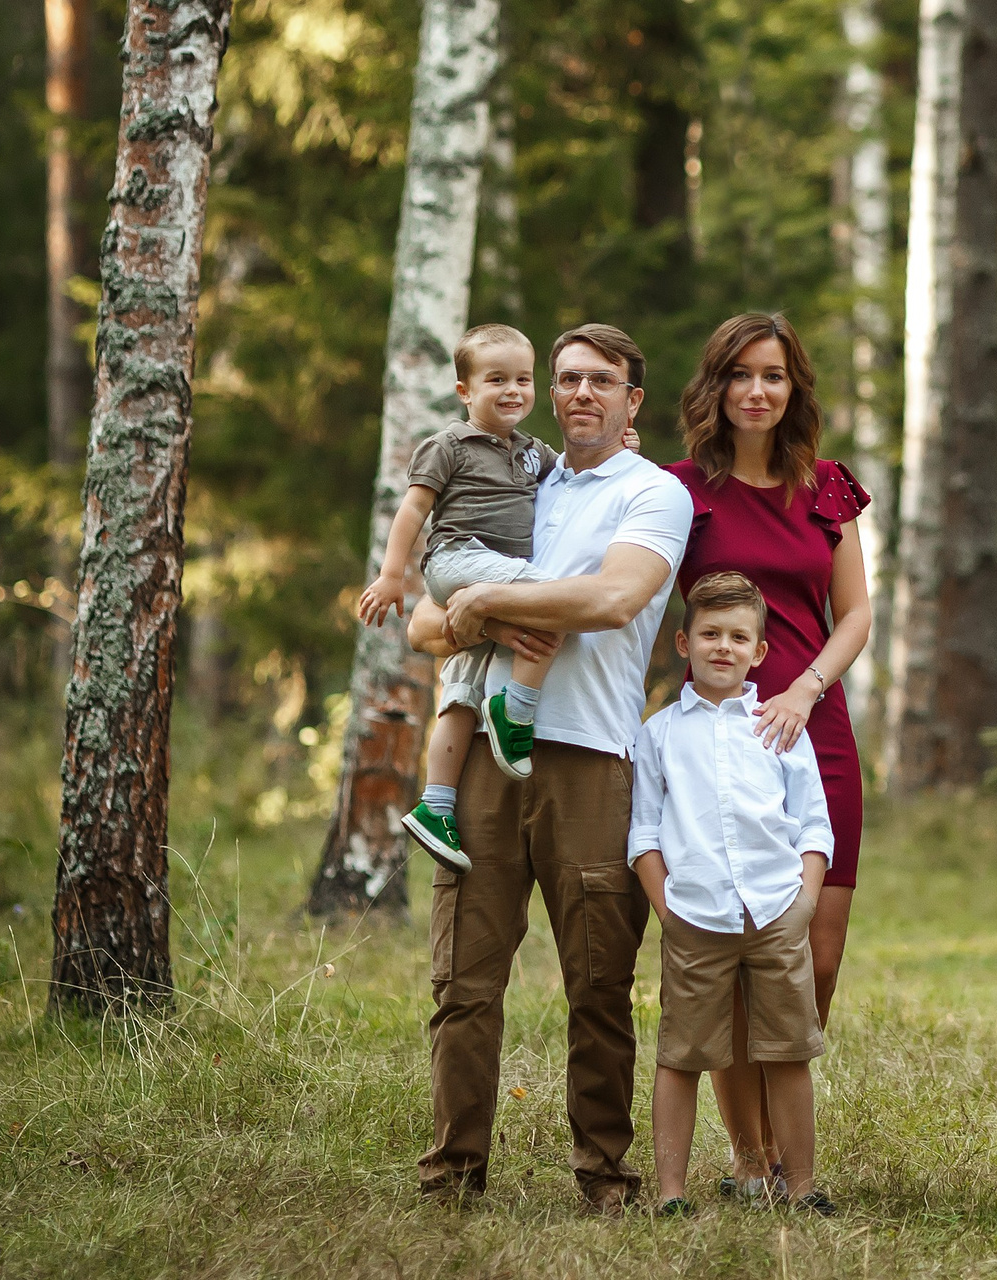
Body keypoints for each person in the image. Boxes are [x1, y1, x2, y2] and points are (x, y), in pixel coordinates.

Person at [404, 322, 695, 1211]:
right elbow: (421, 625)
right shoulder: (508, 476)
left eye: (601, 381)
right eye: (565, 379)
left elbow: (615, 599)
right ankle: (454, 1176)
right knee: (464, 982)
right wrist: (484, 614)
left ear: (631, 401)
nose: (579, 394)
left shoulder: (653, 493)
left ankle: (604, 1178)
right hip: (487, 765)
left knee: (600, 982)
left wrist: (486, 600)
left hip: (591, 761)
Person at [662, 313, 873, 1199]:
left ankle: (780, 1142)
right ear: (717, 386)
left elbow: (856, 613)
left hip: (813, 732)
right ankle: (755, 1161)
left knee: (810, 959)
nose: (759, 390)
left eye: (776, 375)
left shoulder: (827, 487)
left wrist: (805, 689)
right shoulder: (677, 491)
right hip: (717, 744)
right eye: (743, 374)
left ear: (795, 388)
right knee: (731, 954)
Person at [631, 571, 837, 1218]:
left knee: (787, 1050)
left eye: (738, 637)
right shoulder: (659, 734)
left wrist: (803, 900)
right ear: (683, 643)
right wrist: (669, 908)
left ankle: (799, 1187)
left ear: (760, 651)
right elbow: (643, 831)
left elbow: (812, 823)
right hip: (695, 918)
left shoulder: (778, 726)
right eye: (711, 634)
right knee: (683, 1053)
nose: (724, 646)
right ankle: (670, 1193)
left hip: (776, 912)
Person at [355, 324, 559, 870]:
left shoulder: (532, 452)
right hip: (457, 559)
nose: (513, 390)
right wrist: (393, 575)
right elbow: (414, 510)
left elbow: (581, 473)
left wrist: (624, 443)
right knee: (554, 601)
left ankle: (436, 805)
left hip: (490, 577)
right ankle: (516, 709)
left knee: (459, 694)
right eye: (496, 380)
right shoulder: (448, 444)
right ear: (465, 390)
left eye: (523, 379)